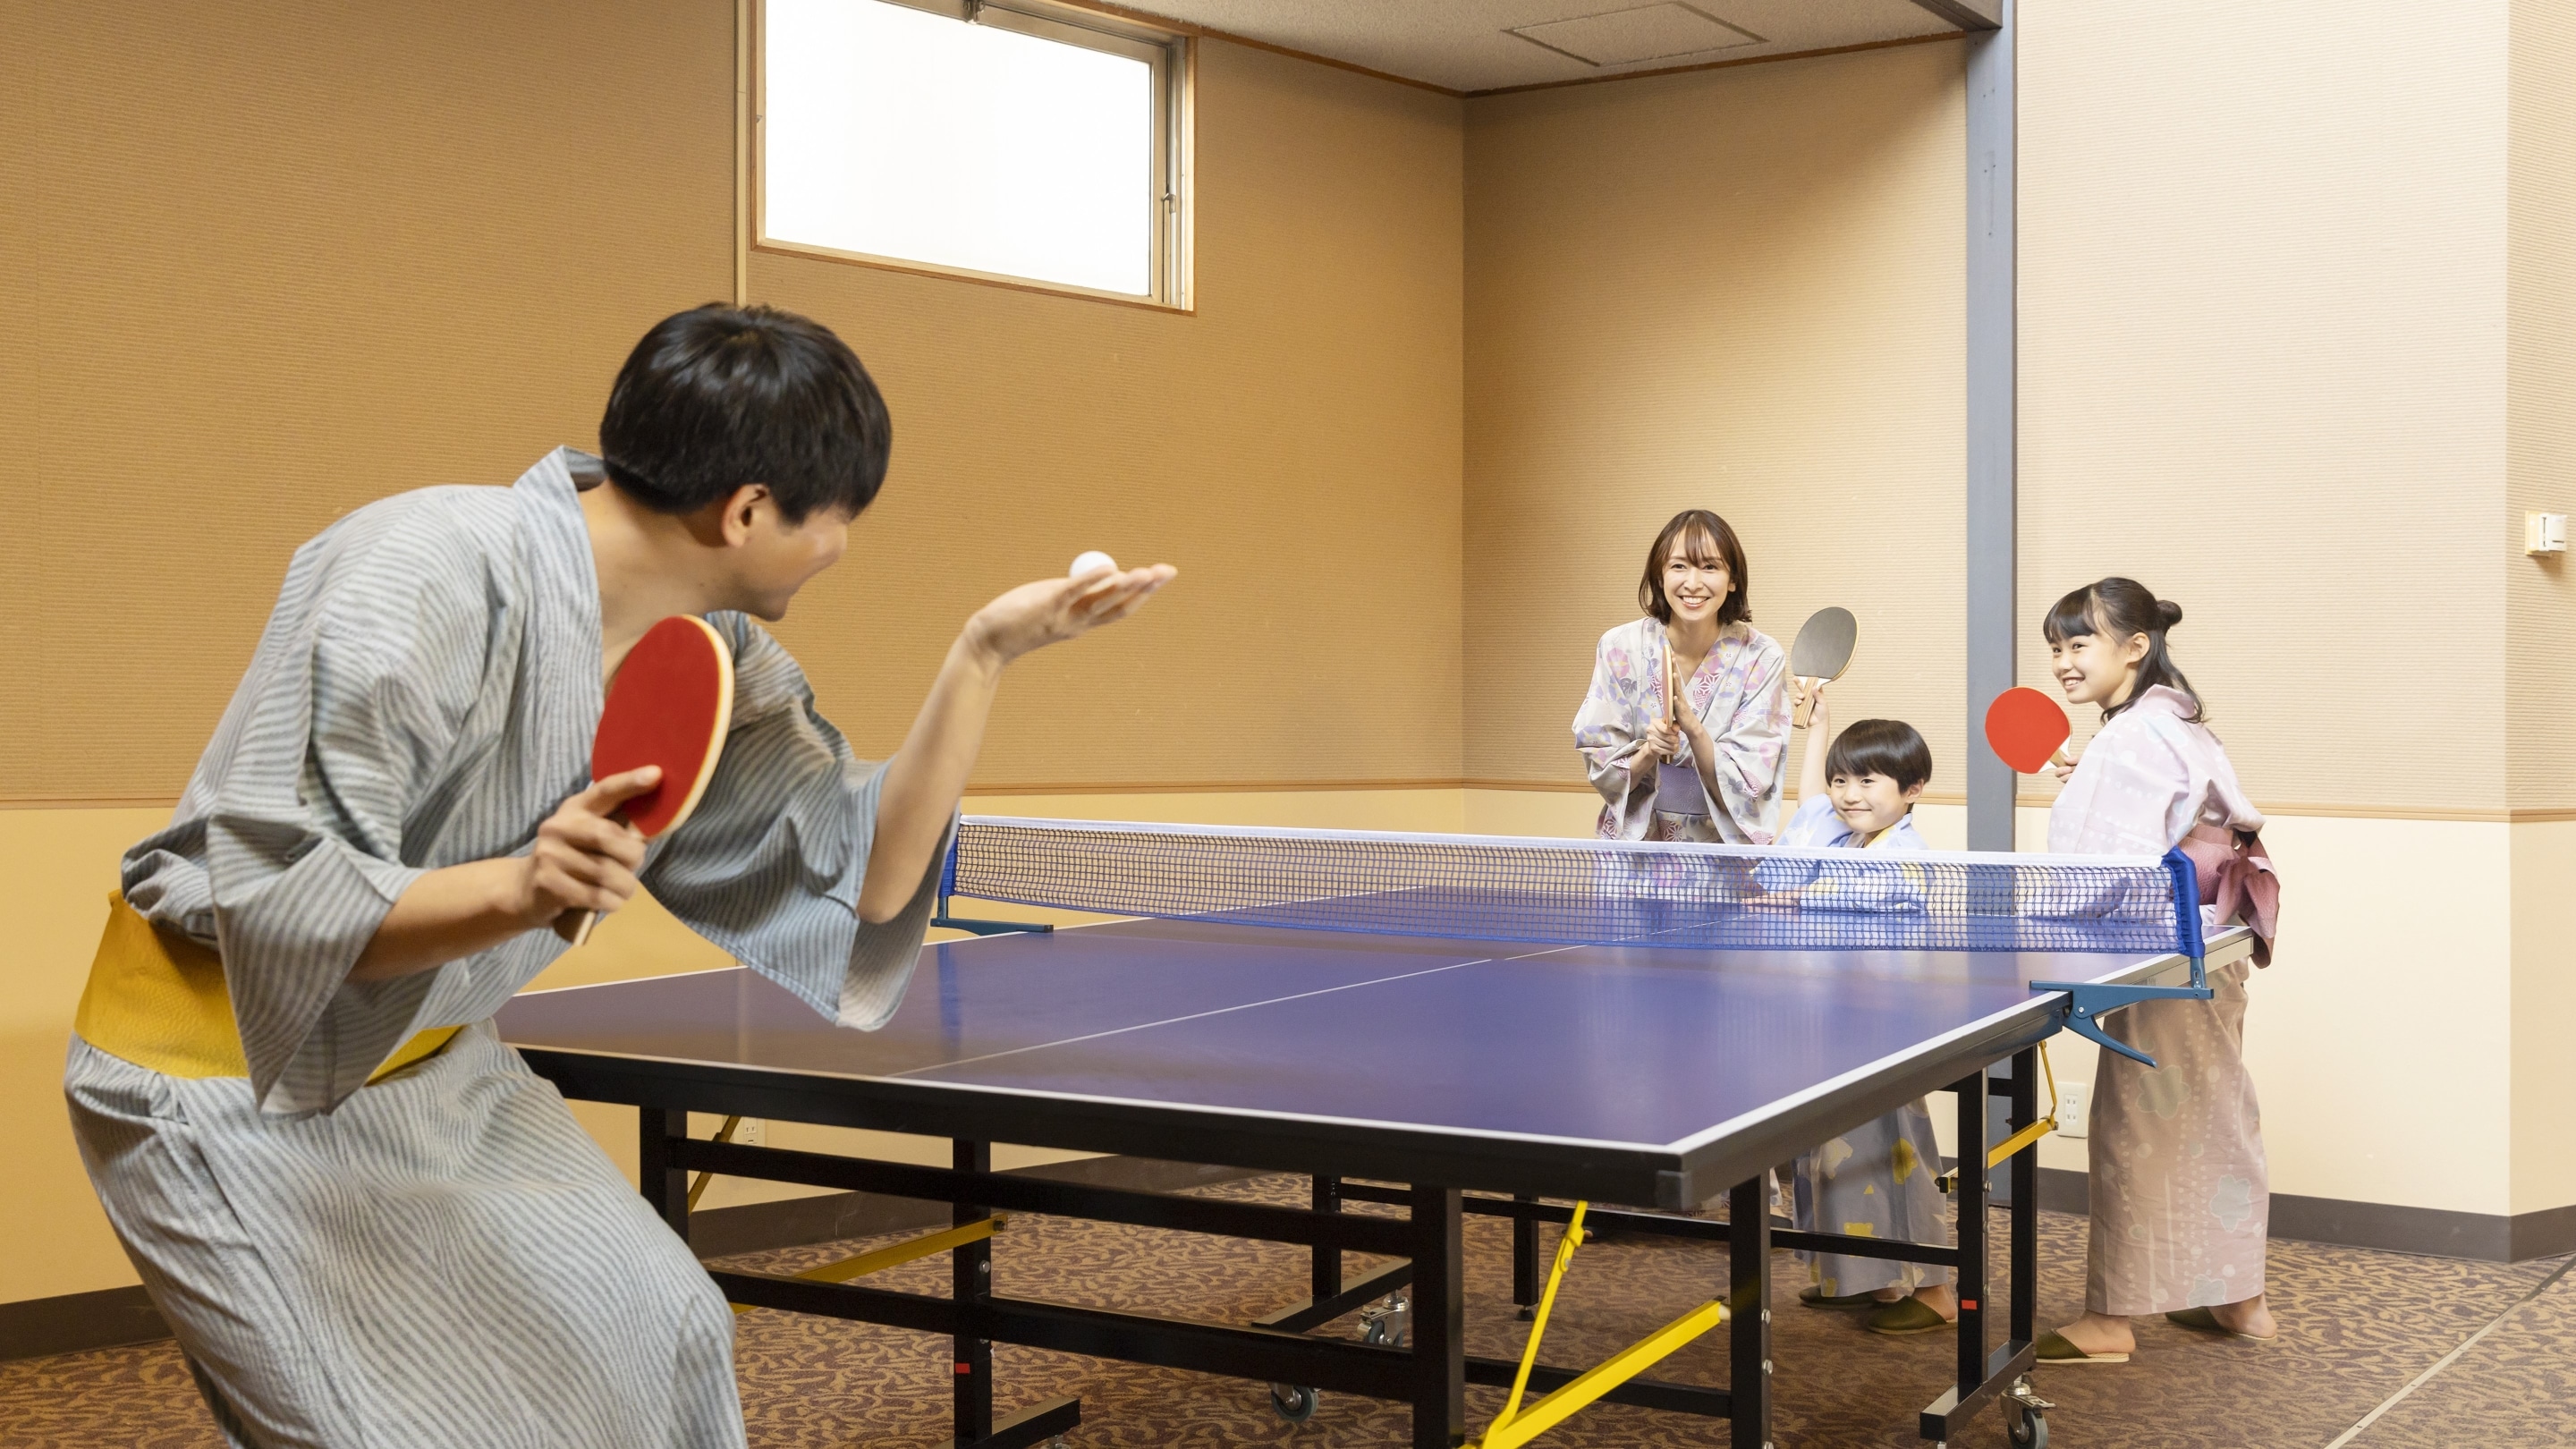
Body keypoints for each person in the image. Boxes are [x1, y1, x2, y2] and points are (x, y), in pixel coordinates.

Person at [63, 303, 1175, 1447]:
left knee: (664, 1334)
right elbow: (276, 891)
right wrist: (518, 888)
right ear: (747, 509)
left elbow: (866, 877)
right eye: (838, 516)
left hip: (436, 1074)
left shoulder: (713, 655)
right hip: (221, 1085)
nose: (842, 544)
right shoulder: (422, 566)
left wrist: (982, 656)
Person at [2031, 578, 2279, 1365]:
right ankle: (2241, 1300)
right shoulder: (2178, 718)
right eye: (2057, 649)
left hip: (2168, 958)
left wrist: (2040, 916)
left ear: (2135, 646)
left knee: (2135, 1126)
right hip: (2215, 947)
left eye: (2080, 644)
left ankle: (2111, 1320)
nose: (2064, 664)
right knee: (2215, 1120)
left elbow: (2094, 871)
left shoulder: (2133, 735)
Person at [1772, 685, 1956, 1335]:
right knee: (1834, 1156)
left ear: (1912, 789)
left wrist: (1794, 896)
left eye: (1868, 780)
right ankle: (1864, 1277)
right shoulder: (1846, 837)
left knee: (1896, 1154)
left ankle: (1932, 1288)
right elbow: (1807, 811)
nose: (1849, 794)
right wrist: (1815, 730)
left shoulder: (1905, 855)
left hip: (1886, 1032)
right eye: (1841, 780)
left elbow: (1809, 888)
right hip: (1835, 1027)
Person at [1572, 509, 1790, 843]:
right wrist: (1649, 750)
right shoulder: (1619, 646)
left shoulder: (1762, 656)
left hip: (1719, 848)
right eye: (1678, 566)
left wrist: (1693, 728)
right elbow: (1601, 764)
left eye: (1710, 567)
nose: (1693, 583)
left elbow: (1752, 777)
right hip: (1637, 848)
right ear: (1660, 575)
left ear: (1732, 579)